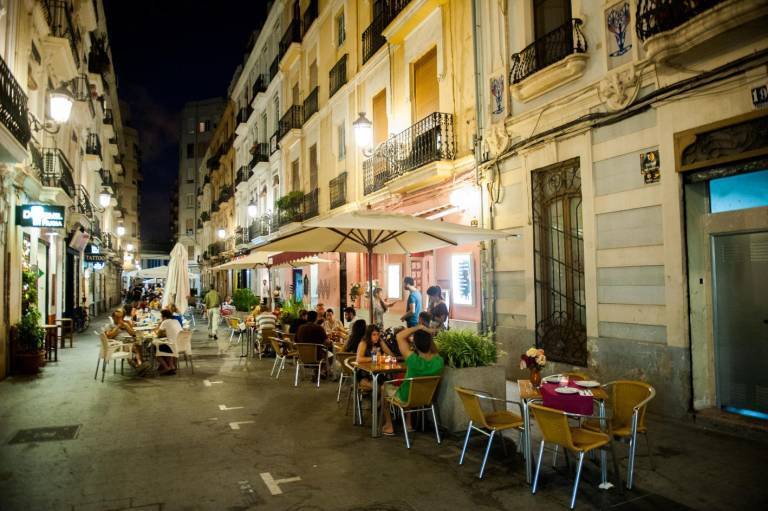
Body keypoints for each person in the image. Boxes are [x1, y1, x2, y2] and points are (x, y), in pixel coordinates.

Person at [381, 325, 444, 436]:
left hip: (406, 397)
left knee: (383, 388)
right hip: (426, 398)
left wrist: (420, 327)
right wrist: (428, 334)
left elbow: (399, 336)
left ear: (415, 345)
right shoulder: (439, 361)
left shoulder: (412, 359)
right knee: (410, 388)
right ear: (430, 343)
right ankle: (408, 423)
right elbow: (432, 348)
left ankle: (389, 425)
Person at [154, 308, 182, 375]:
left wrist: (159, 324)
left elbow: (158, 334)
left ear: (164, 317)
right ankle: (172, 366)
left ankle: (167, 368)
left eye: (161, 316)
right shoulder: (176, 321)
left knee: (154, 348)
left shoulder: (165, 322)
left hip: (171, 346)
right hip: (180, 345)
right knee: (163, 347)